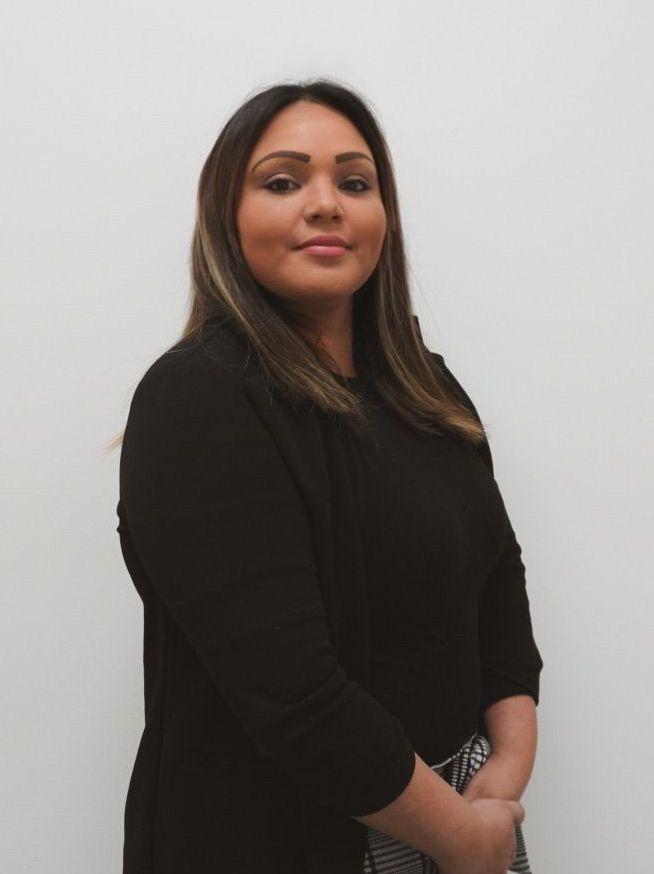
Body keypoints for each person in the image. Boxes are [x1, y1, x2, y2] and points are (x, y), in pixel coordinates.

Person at [112, 79, 544, 874]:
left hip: (468, 824)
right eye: (282, 181)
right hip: (286, 840)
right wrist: (457, 834)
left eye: (355, 182)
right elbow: (294, 697)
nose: (326, 204)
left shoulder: (429, 389)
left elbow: (498, 594)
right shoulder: (197, 399)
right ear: (225, 216)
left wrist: (498, 791)